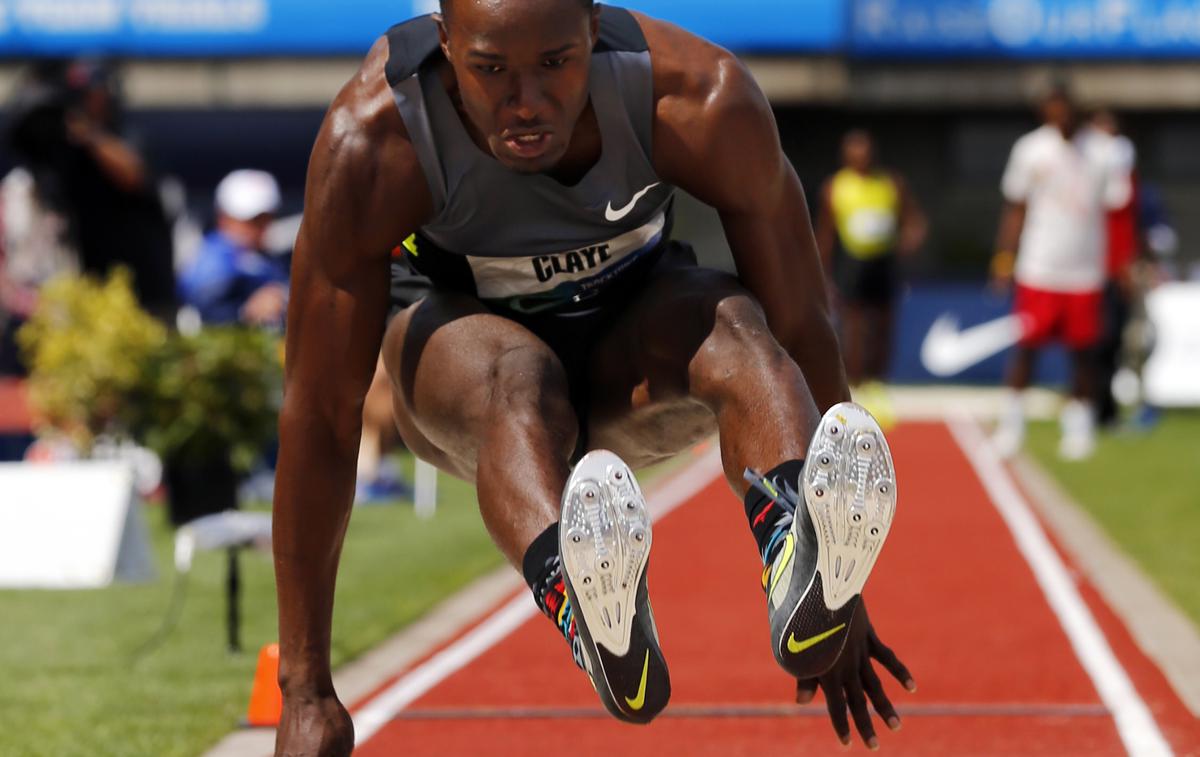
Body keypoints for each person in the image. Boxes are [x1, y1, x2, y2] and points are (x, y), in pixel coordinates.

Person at [273, 3, 914, 754]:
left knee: (739, 325)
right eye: (489, 71)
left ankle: (796, 554)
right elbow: (322, 414)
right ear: (445, 45)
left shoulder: (700, 95)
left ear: (593, 27)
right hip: (467, 373)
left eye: (555, 64)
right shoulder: (375, 139)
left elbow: (803, 320)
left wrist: (840, 577)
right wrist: (305, 686)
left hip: (630, 357)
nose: (526, 102)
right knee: (517, 375)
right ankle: (584, 596)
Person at [991, 87, 1131, 460]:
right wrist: (1005, 258)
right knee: (1027, 349)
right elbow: (1016, 207)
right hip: (1039, 267)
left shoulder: (1105, 151)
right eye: (1053, 113)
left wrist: (1121, 263)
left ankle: (1079, 426)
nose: (1061, 120)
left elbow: (1117, 211)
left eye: (1067, 112)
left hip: (1084, 271)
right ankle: (1012, 425)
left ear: (1077, 111)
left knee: (1084, 352)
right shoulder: (1030, 149)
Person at [5, 60, 177, 321]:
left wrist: (88, 133)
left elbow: (133, 176)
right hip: (91, 287)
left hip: (145, 287)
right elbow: (22, 140)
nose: (85, 101)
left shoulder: (127, 135)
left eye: (91, 92)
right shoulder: (64, 149)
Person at [815, 129, 926, 426]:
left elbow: (914, 221)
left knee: (884, 324)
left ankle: (878, 384)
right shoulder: (835, 187)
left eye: (866, 152)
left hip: (884, 261)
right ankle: (857, 385)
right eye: (855, 152)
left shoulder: (891, 183)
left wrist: (910, 240)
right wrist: (823, 272)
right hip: (853, 263)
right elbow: (826, 234)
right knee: (854, 326)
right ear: (846, 156)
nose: (861, 157)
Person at [178, 169, 290, 328]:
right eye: (251, 220)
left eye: (264, 219)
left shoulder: (270, 258)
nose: (259, 228)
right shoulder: (211, 259)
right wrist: (246, 312)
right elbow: (201, 306)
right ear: (223, 217)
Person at [1090, 110, 1139, 428]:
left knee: (1113, 343)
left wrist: (1125, 266)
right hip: (1090, 272)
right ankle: (1091, 409)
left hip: (1112, 272)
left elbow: (1125, 226)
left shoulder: (1125, 187)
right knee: (1095, 344)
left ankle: (1105, 410)